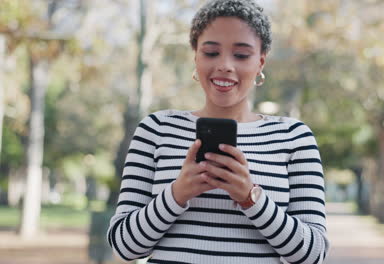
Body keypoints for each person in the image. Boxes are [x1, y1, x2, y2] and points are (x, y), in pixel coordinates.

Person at [107, 0, 329, 263]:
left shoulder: (294, 136)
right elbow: (124, 246)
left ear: (260, 62)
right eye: (211, 52)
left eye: (241, 55)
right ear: (196, 56)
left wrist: (251, 199)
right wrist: (177, 194)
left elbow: (313, 254)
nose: (225, 65)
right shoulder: (156, 130)